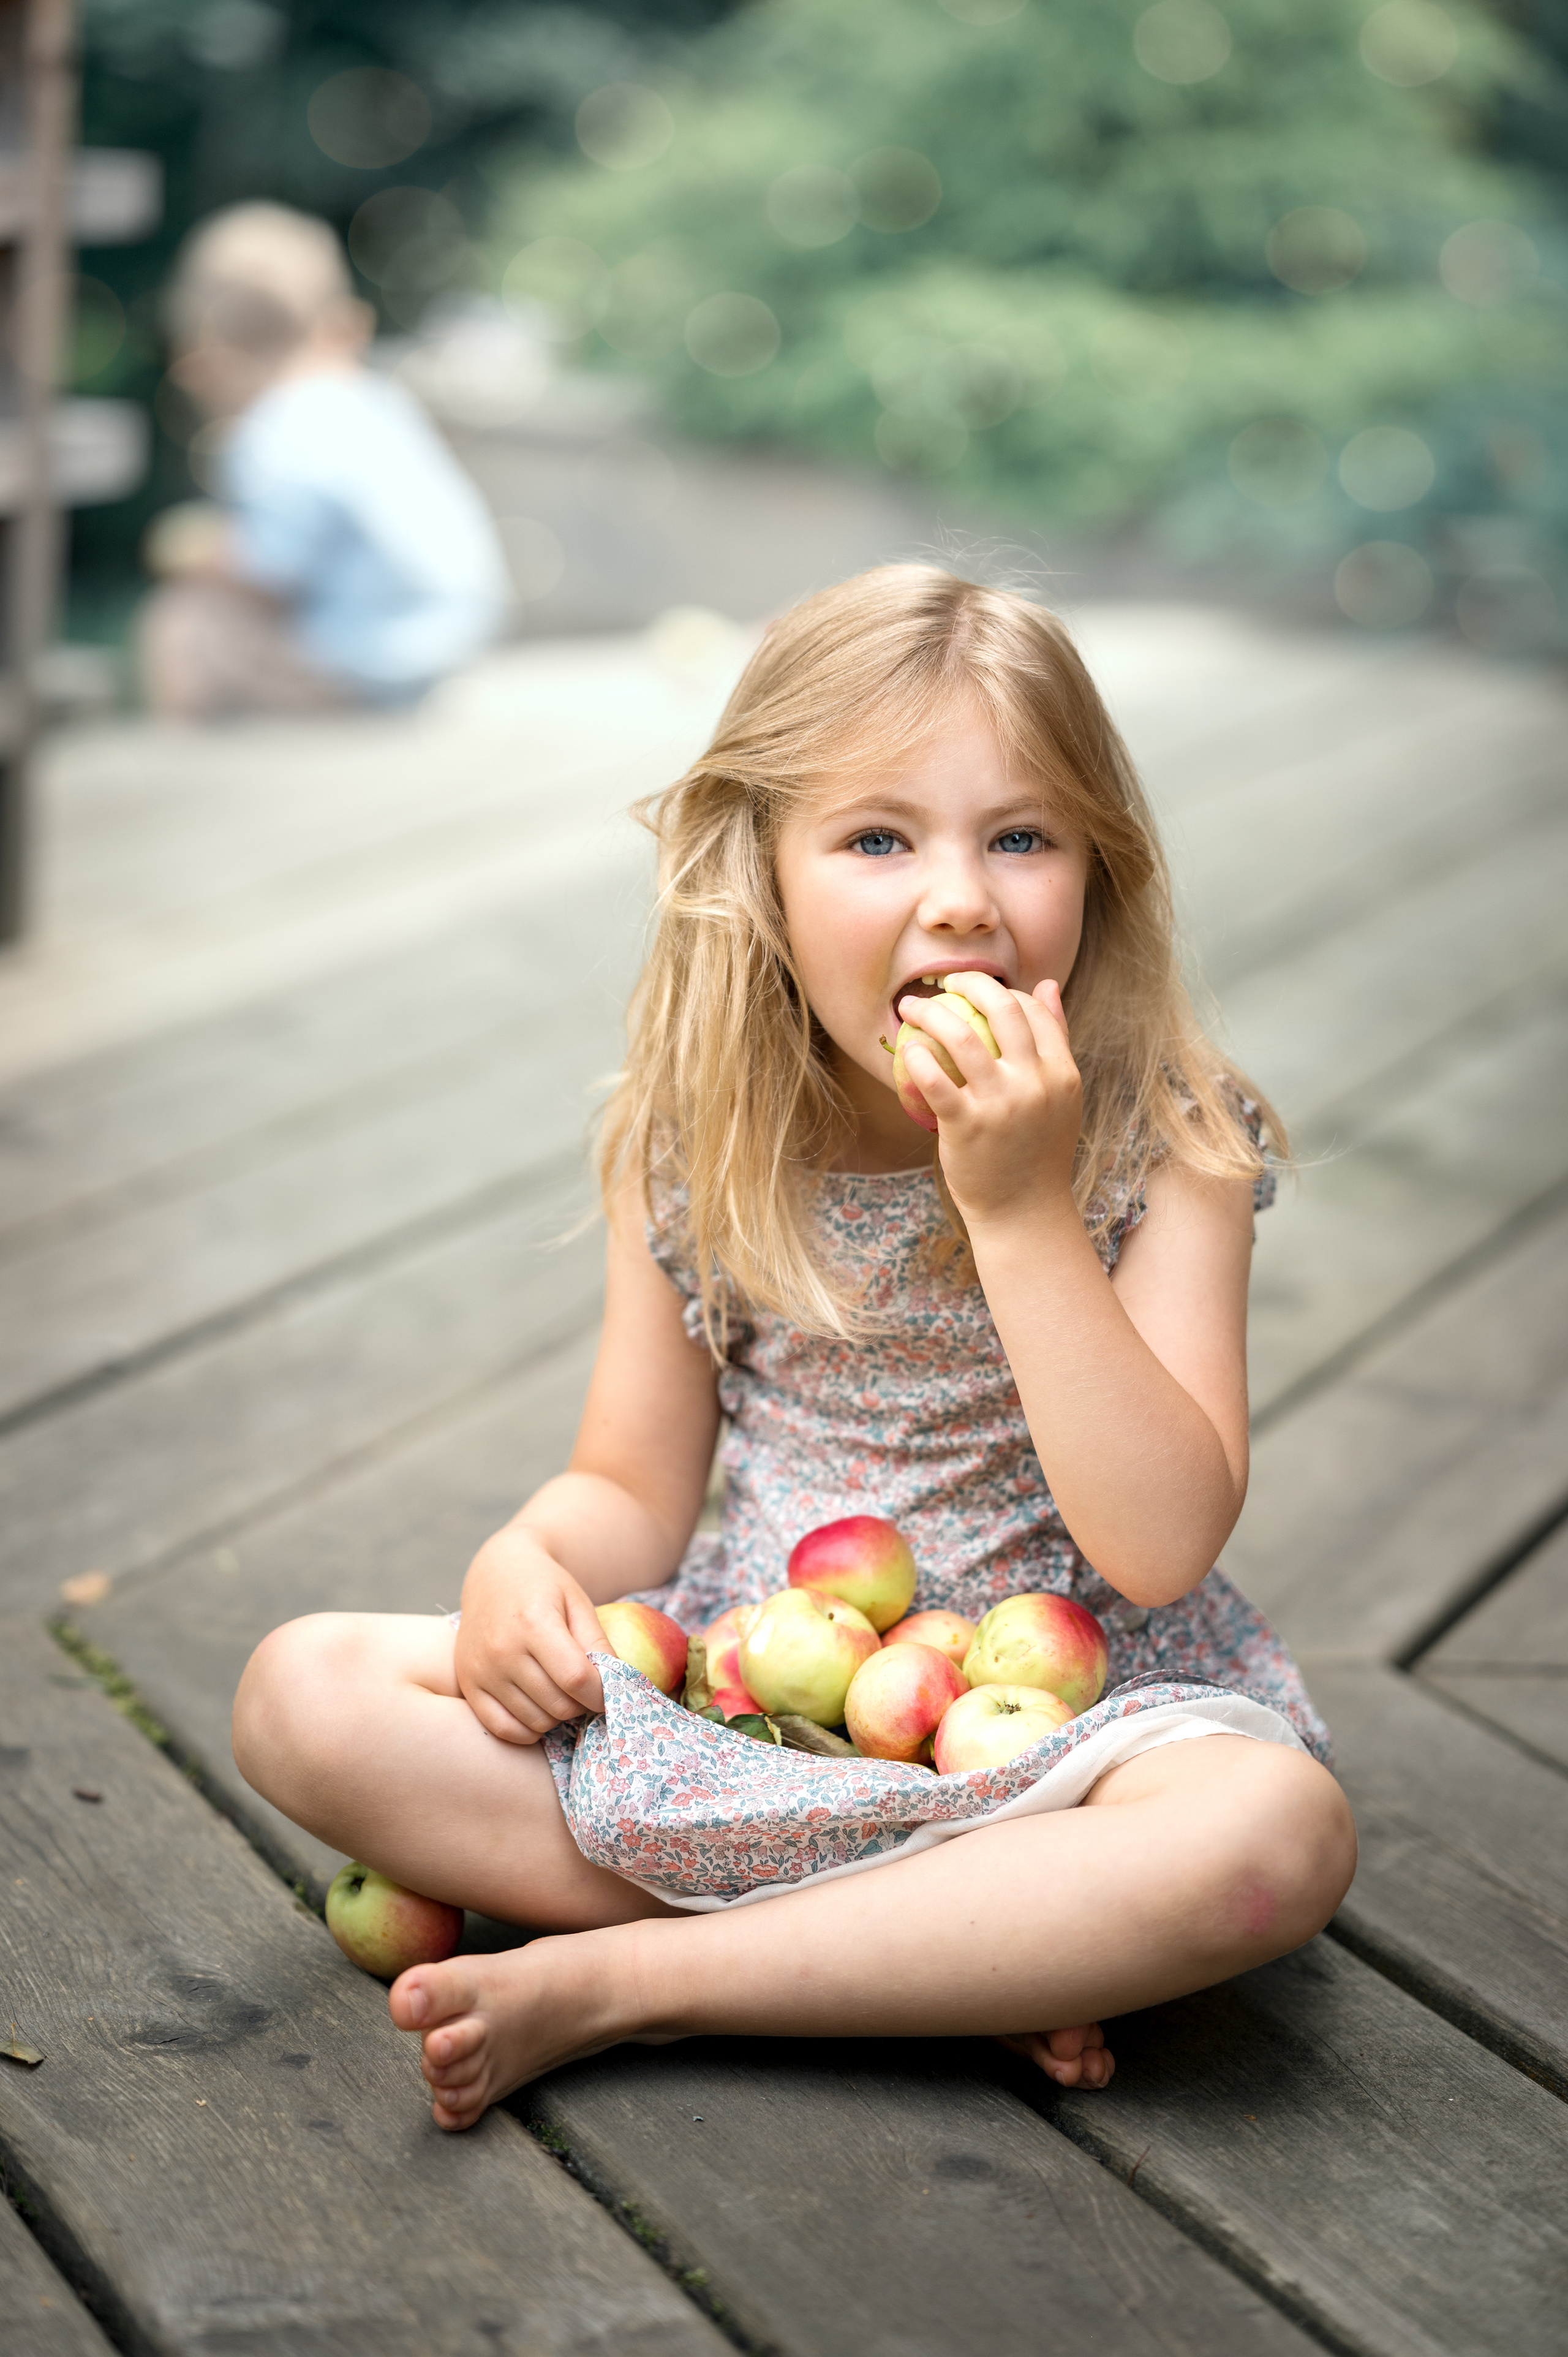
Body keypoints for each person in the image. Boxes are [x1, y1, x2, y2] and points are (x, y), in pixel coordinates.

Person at [233, 566, 1355, 2130]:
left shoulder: (1167, 1137)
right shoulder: (695, 1142)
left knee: (1267, 1841)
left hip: (1077, 1736)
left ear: (1099, 868)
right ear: (758, 872)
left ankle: (640, 1978)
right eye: (877, 838)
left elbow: (1160, 1543)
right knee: (303, 1690)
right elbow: (627, 1482)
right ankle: (948, 1957)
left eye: (1019, 835)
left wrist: (1023, 1213)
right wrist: (524, 1561)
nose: (958, 895)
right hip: (761, 1707)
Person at [139, 202, 508, 719]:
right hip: (443, 647)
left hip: (367, 657)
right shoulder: (374, 401)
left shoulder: (275, 430)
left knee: (184, 621)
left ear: (205, 361)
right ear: (341, 326)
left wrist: (195, 554)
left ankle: (181, 768)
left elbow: (274, 568)